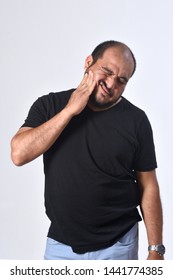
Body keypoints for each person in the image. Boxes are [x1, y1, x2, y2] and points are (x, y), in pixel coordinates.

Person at [11, 40, 165, 260]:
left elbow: (148, 184)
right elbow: (19, 154)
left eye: (121, 80)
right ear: (89, 62)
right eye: (107, 71)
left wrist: (155, 249)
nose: (111, 84)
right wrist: (70, 110)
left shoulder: (136, 120)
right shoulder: (50, 105)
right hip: (60, 245)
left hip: (118, 245)